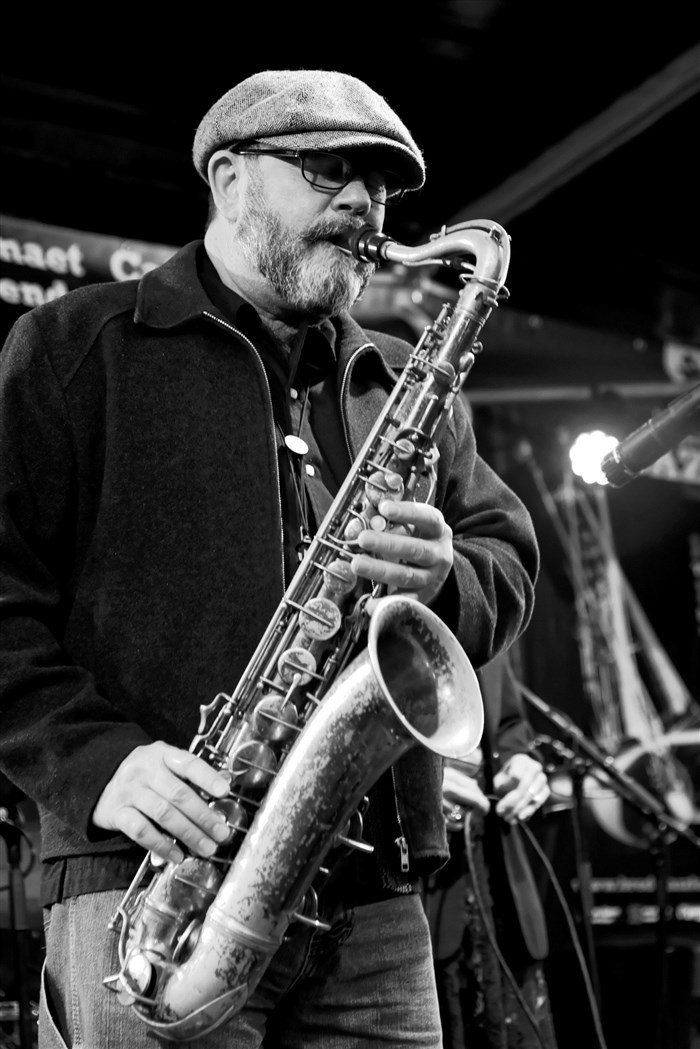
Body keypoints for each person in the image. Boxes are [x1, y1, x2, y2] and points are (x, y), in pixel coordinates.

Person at [0, 69, 539, 1048]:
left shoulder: (398, 379)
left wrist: (446, 578)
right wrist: (92, 761)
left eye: (381, 185)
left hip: (377, 905)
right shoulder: (75, 347)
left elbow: (505, 553)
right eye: (327, 171)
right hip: (157, 884)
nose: (364, 203)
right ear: (228, 176)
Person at [423, 654, 558, 1049]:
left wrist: (521, 760)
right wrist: (417, 786)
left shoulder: (487, 625)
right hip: (417, 901)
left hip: (500, 892)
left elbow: (510, 725)